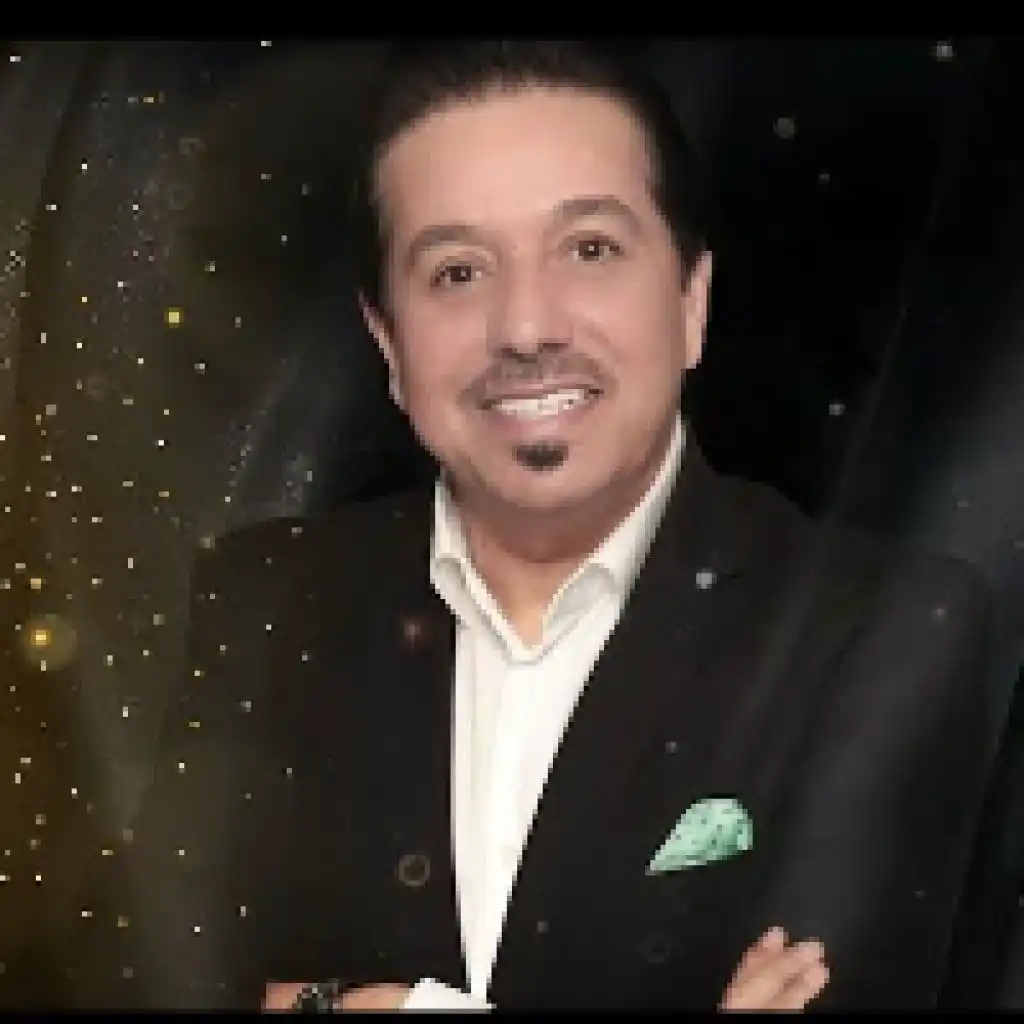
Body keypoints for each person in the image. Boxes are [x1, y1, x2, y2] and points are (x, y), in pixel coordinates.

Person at [68, 40, 994, 1011]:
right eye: (457, 271)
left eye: (588, 250)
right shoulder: (268, 604)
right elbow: (134, 980)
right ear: (388, 344)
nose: (524, 328)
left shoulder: (876, 633)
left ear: (691, 301)